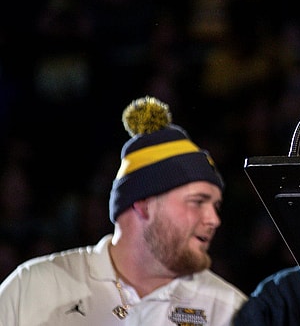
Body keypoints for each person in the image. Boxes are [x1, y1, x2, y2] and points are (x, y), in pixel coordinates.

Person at [0, 96, 247, 325]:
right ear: (144, 205)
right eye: (197, 202)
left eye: (215, 206)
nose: (214, 219)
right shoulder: (34, 287)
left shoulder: (229, 310)